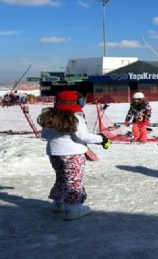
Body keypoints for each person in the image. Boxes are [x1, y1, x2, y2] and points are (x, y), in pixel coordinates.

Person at [37, 90, 111, 221]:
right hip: (73, 155)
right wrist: (102, 139)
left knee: (61, 178)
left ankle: (58, 203)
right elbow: (83, 137)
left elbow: (44, 135)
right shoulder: (76, 118)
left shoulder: (50, 118)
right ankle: (73, 208)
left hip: (54, 154)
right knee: (73, 180)